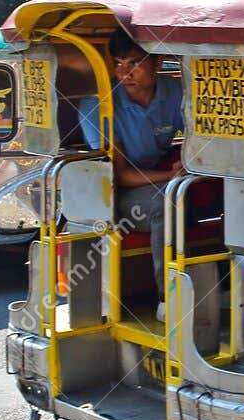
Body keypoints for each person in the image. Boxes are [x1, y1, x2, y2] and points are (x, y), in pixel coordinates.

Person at [79, 32, 186, 294]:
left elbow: (199, 134)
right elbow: (121, 175)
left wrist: (187, 164)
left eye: (134, 64)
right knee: (167, 202)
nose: (124, 73)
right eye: (118, 64)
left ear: (157, 64)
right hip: (114, 195)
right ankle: (168, 298)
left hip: (162, 178)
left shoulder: (175, 91)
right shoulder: (97, 106)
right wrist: (171, 177)